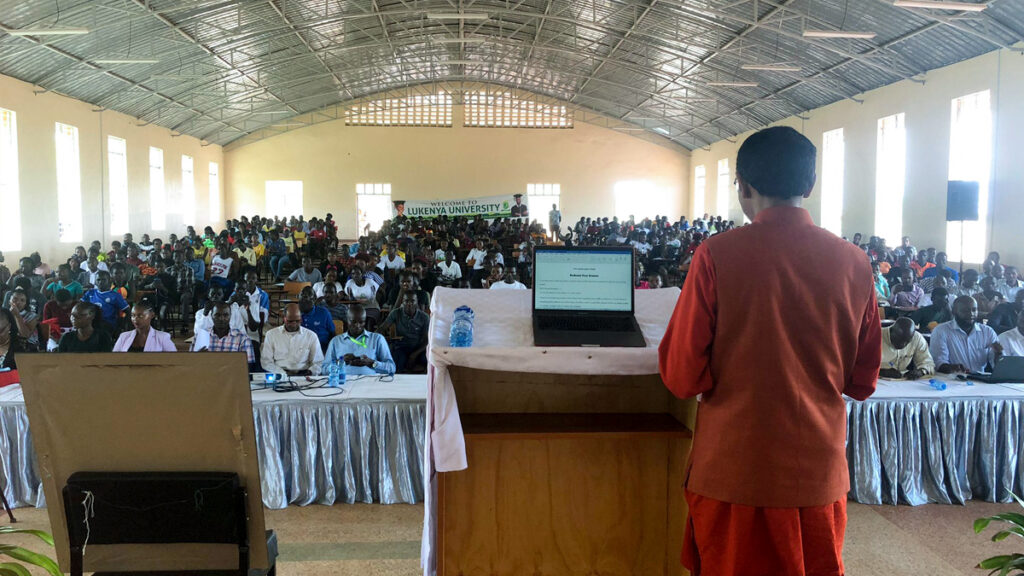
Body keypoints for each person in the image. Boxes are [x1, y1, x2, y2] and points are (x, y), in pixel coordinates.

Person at [658, 126, 880, 576]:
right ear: (810, 186)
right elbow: (863, 381)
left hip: (734, 471)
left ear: (742, 185)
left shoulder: (717, 254)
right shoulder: (854, 262)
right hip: (817, 474)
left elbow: (682, 377)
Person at [930, 296, 1001, 374]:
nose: (971, 314)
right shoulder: (941, 331)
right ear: (954, 312)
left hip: (980, 380)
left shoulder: (988, 332)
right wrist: (952, 368)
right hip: (952, 380)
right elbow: (938, 363)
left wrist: (998, 354)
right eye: (965, 311)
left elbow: (996, 365)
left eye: (974, 310)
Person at [323, 304, 396, 376]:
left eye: (361, 322)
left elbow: (391, 368)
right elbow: (324, 370)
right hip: (343, 383)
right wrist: (340, 363)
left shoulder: (377, 339)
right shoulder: (336, 341)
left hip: (370, 383)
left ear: (365, 321)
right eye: (353, 322)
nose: (357, 326)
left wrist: (371, 363)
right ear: (347, 321)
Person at [261, 303, 324, 376]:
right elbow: (266, 362)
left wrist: (309, 372)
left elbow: (318, 362)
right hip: (279, 374)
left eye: (297, 321)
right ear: (284, 318)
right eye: (290, 321)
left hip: (304, 375)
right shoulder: (271, 335)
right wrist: (282, 373)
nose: (294, 324)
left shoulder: (311, 336)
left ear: (301, 319)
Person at [192, 303, 256, 369]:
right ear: (211, 316)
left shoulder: (242, 338)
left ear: (230, 316)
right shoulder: (201, 336)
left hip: (232, 376)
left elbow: (248, 366)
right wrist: (198, 357)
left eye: (225, 315)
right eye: (217, 315)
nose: (221, 318)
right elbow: (190, 362)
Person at [377, 292, 428, 373]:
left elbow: (426, 340)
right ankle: (397, 383)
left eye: (412, 301)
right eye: (406, 301)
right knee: (396, 365)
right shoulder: (396, 313)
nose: (409, 304)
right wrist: (378, 340)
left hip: (418, 348)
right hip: (401, 347)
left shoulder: (424, 317)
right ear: (402, 302)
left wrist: (413, 355)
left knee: (429, 361)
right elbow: (382, 328)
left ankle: (424, 382)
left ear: (417, 302)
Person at [298, 286, 335, 352]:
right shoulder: (295, 314)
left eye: (309, 295)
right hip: (301, 348)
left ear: (314, 299)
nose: (305, 297)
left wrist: (329, 350)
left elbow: (332, 333)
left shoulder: (324, 313)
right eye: (302, 295)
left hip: (322, 348)